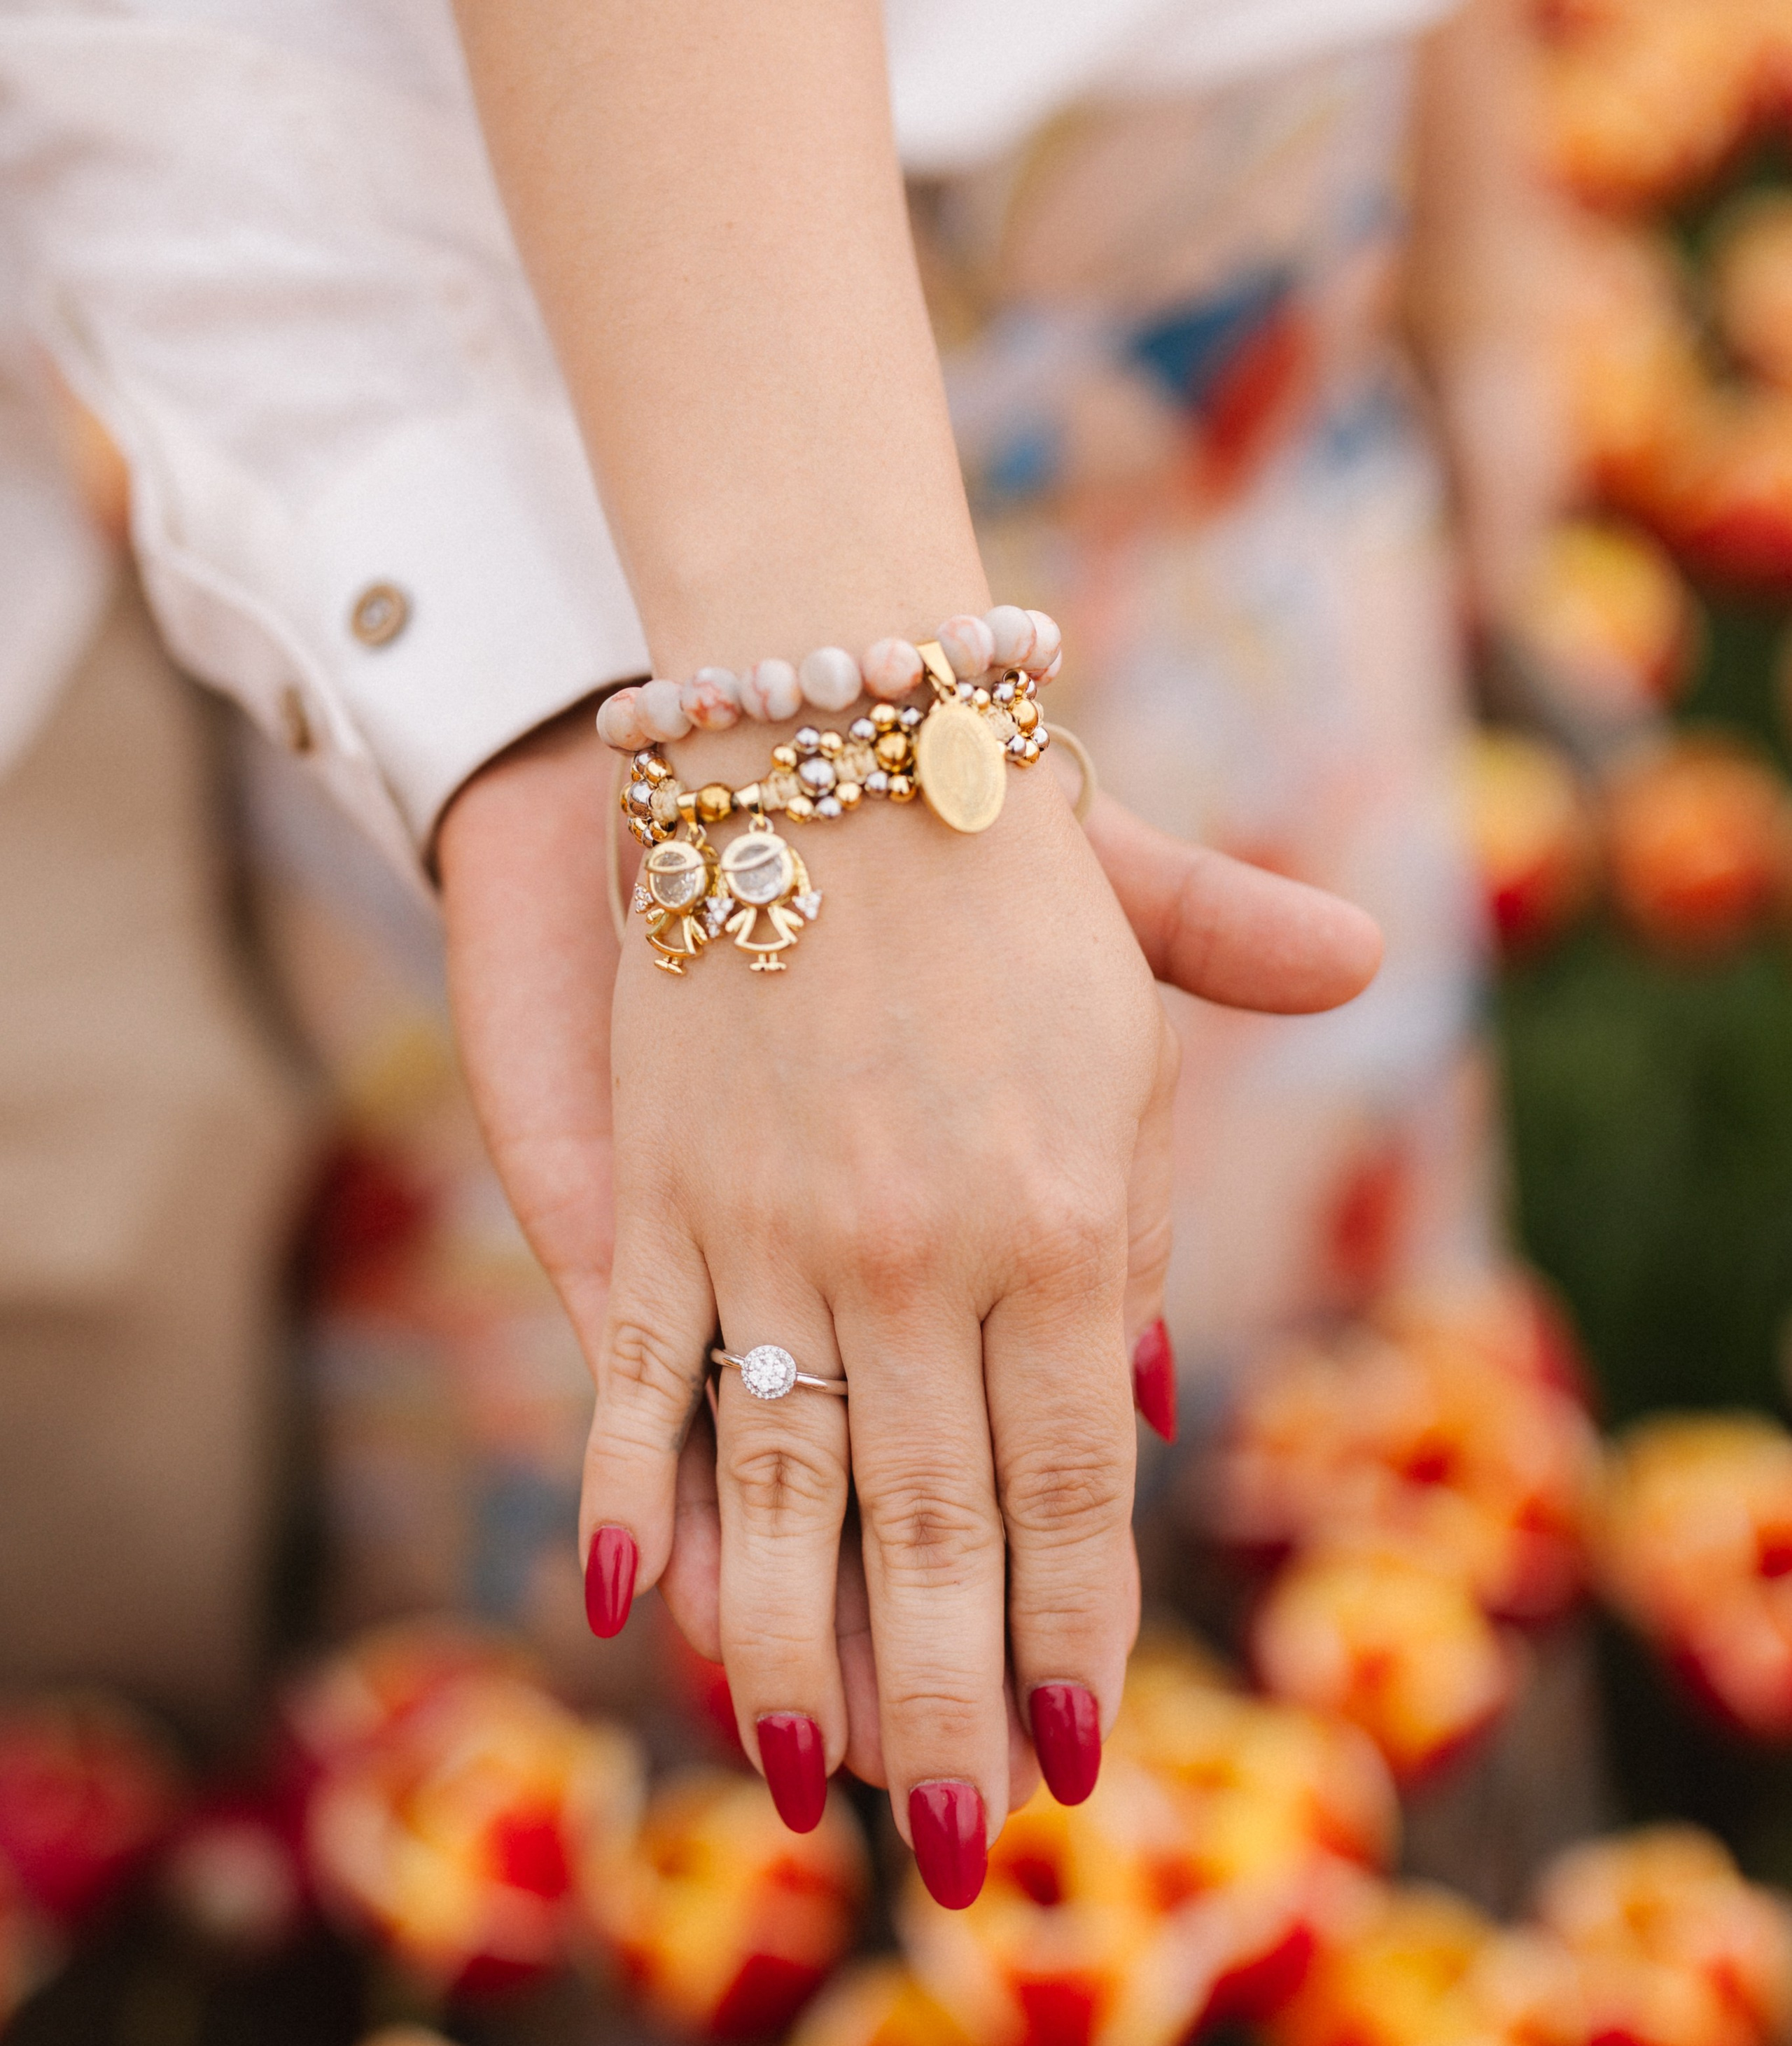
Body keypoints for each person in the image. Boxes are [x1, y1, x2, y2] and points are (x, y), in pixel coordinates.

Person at [0, 0, 1558, 1900]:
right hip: (539, 413)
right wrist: (758, 738)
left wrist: (1484, 232)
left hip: (1244, 332)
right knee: (661, 1603)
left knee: (1312, 1474)